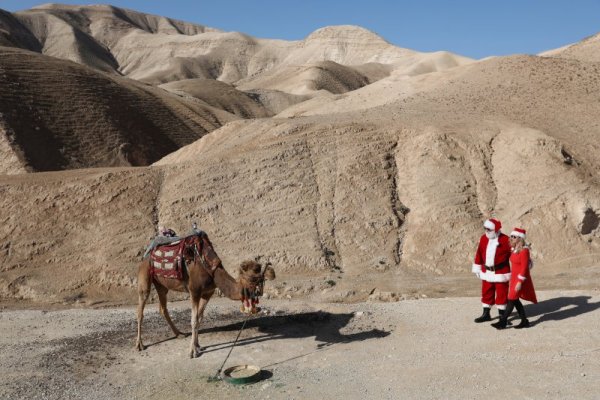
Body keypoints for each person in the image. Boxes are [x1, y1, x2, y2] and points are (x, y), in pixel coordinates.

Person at [492, 227, 537, 329]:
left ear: (520, 238)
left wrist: (520, 282)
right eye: (511, 236)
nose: (511, 238)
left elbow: (524, 268)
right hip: (513, 279)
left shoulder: (524, 251)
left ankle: (503, 321)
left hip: (520, 280)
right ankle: (524, 321)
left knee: (511, 299)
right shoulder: (514, 249)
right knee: (515, 300)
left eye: (514, 236)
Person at [472, 218, 512, 322]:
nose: (486, 231)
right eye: (485, 229)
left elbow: (515, 254)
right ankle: (486, 314)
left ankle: (502, 316)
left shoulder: (505, 240)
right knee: (486, 292)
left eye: (489, 229)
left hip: (501, 273)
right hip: (487, 272)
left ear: (496, 230)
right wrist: (477, 267)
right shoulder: (483, 238)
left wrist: (523, 262)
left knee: (502, 294)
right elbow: (479, 253)